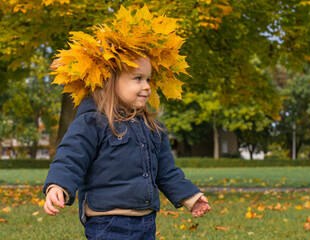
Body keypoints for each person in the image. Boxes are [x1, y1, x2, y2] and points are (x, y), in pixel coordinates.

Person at [43, 5, 211, 240]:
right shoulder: (93, 122)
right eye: (138, 78)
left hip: (146, 221)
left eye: (149, 79)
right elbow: (70, 157)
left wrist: (190, 197)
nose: (146, 86)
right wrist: (57, 186)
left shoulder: (152, 128)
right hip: (108, 222)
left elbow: (166, 171)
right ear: (111, 80)